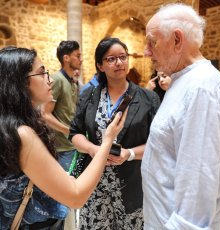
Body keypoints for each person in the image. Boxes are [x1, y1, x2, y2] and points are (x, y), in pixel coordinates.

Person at [0, 46, 126, 229]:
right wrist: (108, 140)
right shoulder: (22, 134)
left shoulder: (10, 126)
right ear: (20, 82)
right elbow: (75, 196)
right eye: (42, 73)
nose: (49, 80)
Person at [141, 3, 220, 230]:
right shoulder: (183, 81)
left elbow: (196, 199)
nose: (146, 52)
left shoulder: (202, 88)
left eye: (152, 42)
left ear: (177, 40)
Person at [69, 37, 160, 229]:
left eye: (123, 57)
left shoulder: (147, 98)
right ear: (100, 66)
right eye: (111, 59)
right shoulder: (89, 95)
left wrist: (130, 153)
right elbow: (75, 133)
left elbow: (158, 143)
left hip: (133, 186)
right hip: (94, 186)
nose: (119, 63)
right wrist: (94, 150)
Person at [41, 40, 82, 172]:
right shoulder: (57, 79)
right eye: (78, 56)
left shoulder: (72, 82)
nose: (81, 60)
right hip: (63, 148)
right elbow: (45, 115)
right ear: (66, 58)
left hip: (73, 145)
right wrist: (69, 131)